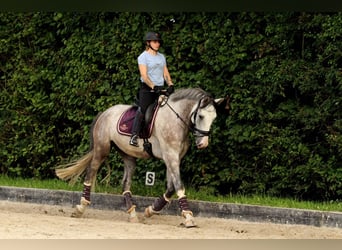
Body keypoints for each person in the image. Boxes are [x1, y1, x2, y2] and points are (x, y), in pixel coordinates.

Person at [129, 31, 175, 147]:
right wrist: (154, 86)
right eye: (155, 42)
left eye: (158, 42)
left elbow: (166, 73)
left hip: (160, 89)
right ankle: (134, 135)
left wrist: (170, 84)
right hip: (148, 90)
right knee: (143, 110)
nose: (157, 44)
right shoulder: (143, 57)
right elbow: (144, 76)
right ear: (148, 43)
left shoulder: (161, 57)